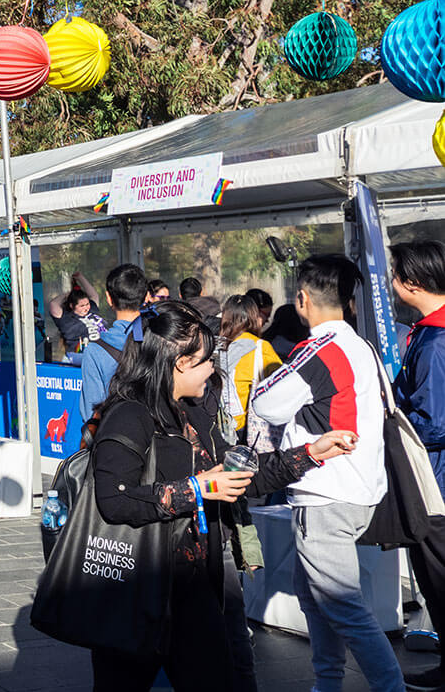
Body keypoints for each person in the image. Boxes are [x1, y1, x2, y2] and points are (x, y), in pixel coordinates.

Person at [89, 300, 353, 689]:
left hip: (196, 583)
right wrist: (196, 489)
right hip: (137, 585)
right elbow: (114, 500)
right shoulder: (129, 415)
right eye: (206, 361)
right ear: (180, 362)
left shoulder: (193, 412)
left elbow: (239, 478)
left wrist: (310, 454)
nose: (214, 369)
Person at [250, 255, 402, 692]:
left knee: (342, 606)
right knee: (317, 598)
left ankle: (387, 686)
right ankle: (327, 683)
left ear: (302, 300)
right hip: (358, 489)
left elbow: (266, 403)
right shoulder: (363, 347)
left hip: (326, 494)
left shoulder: (319, 349)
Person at [388, 240, 445, 690]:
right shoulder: (428, 332)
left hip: (435, 483)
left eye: (395, 275)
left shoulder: (436, 340)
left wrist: (392, 424)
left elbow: (435, 421)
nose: (390, 283)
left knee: (438, 575)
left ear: (413, 282)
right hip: (433, 479)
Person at [79, 264, 149, 422]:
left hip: (118, 438)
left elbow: (90, 412)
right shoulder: (160, 338)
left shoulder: (95, 350)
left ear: (109, 298)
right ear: (146, 298)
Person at [217, 295, 281, 441]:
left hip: (221, 425)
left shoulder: (217, 347)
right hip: (248, 428)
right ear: (254, 317)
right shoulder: (261, 348)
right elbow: (281, 384)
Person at [48, 272, 105, 366]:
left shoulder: (92, 310)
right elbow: (53, 304)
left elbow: (94, 295)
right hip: (81, 357)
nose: (86, 308)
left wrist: (81, 277)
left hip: (102, 355)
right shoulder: (66, 318)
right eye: (82, 306)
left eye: (87, 304)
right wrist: (67, 294)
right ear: (72, 306)